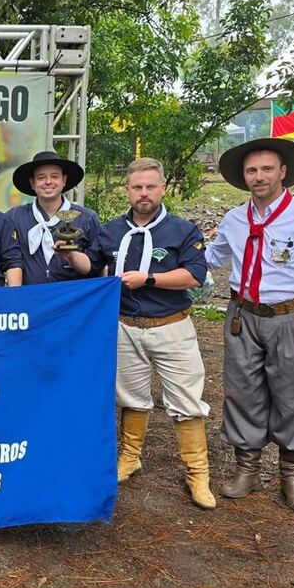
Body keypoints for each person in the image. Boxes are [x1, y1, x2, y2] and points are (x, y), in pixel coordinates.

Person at [206, 138, 294, 513]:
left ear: (283, 172)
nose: (259, 177)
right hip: (243, 316)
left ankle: (292, 475)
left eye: (267, 169)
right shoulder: (235, 219)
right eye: (252, 170)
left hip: (292, 317)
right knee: (242, 390)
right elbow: (211, 258)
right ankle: (247, 469)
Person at [88, 158, 214, 509]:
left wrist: (151, 279)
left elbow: (195, 276)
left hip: (171, 324)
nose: (143, 193)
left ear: (162, 189)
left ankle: (197, 473)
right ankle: (130, 456)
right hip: (125, 326)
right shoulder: (111, 230)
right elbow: (94, 268)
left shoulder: (183, 230)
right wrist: (70, 256)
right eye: (137, 187)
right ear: (127, 190)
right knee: (130, 396)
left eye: (150, 187)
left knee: (186, 401)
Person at [6, 151, 101, 283]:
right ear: (32, 183)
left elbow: (98, 266)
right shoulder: (15, 217)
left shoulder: (87, 218)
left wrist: (71, 255)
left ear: (64, 180)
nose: (48, 182)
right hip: (32, 299)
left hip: (74, 300)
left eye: (55, 176)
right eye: (41, 177)